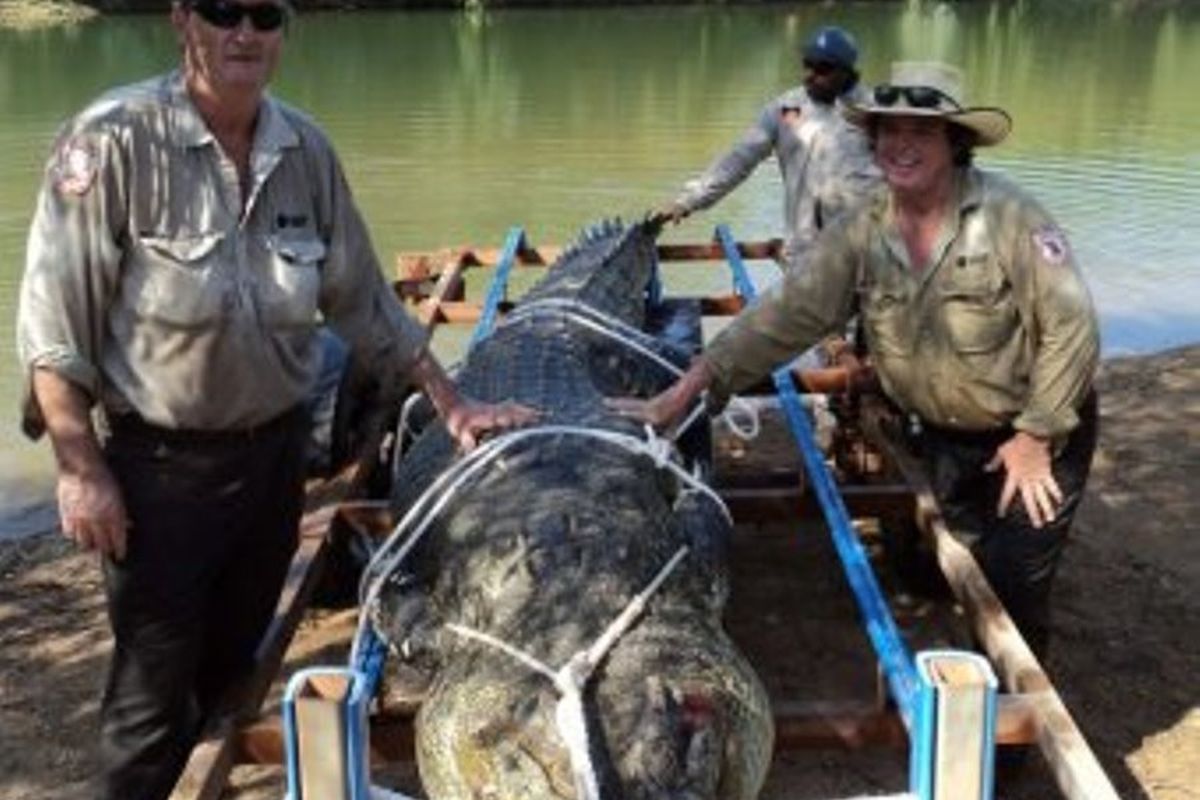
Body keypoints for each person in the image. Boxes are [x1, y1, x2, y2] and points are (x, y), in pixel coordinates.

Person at [14, 2, 534, 798]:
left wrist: (451, 399)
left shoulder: (305, 150)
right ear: (184, 19)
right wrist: (81, 468)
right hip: (158, 473)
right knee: (148, 704)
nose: (245, 33)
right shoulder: (112, 140)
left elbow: (364, 303)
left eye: (265, 14)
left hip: (274, 463)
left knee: (232, 672)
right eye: (225, 12)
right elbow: (53, 329)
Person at [615, 61, 1100, 659]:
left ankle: (1009, 744)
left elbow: (1073, 328)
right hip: (943, 436)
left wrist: (1037, 434)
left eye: (920, 132)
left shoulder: (1011, 218)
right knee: (931, 570)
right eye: (888, 130)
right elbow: (785, 315)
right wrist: (689, 389)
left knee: (1012, 593)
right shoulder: (862, 229)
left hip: (1032, 432)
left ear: (955, 141)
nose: (899, 145)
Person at [651, 25, 882, 266]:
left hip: (865, 253)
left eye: (823, 68)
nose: (810, 74)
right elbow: (740, 158)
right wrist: (687, 201)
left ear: (847, 72)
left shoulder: (874, 112)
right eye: (807, 64)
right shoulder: (789, 110)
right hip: (806, 254)